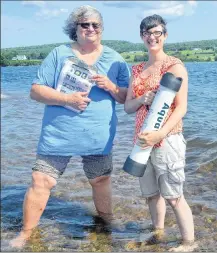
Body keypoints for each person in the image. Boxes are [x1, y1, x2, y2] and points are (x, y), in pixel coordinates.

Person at [10, 5, 130, 248]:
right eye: (84, 24)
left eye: (95, 25)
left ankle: (106, 223)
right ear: (74, 29)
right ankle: (25, 233)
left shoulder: (115, 58)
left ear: (102, 29)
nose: (90, 28)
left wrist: (110, 85)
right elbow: (35, 90)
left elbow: (126, 97)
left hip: (98, 135)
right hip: (58, 135)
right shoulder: (58, 54)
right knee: (41, 179)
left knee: (101, 180)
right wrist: (67, 99)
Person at [124, 14, 196, 251]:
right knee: (152, 195)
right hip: (142, 142)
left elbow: (181, 108)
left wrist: (160, 134)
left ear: (165, 35)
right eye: (147, 33)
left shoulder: (174, 66)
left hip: (167, 140)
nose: (152, 37)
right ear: (141, 37)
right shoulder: (135, 70)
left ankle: (188, 243)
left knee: (174, 196)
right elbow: (127, 107)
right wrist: (142, 98)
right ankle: (158, 233)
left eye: (157, 33)